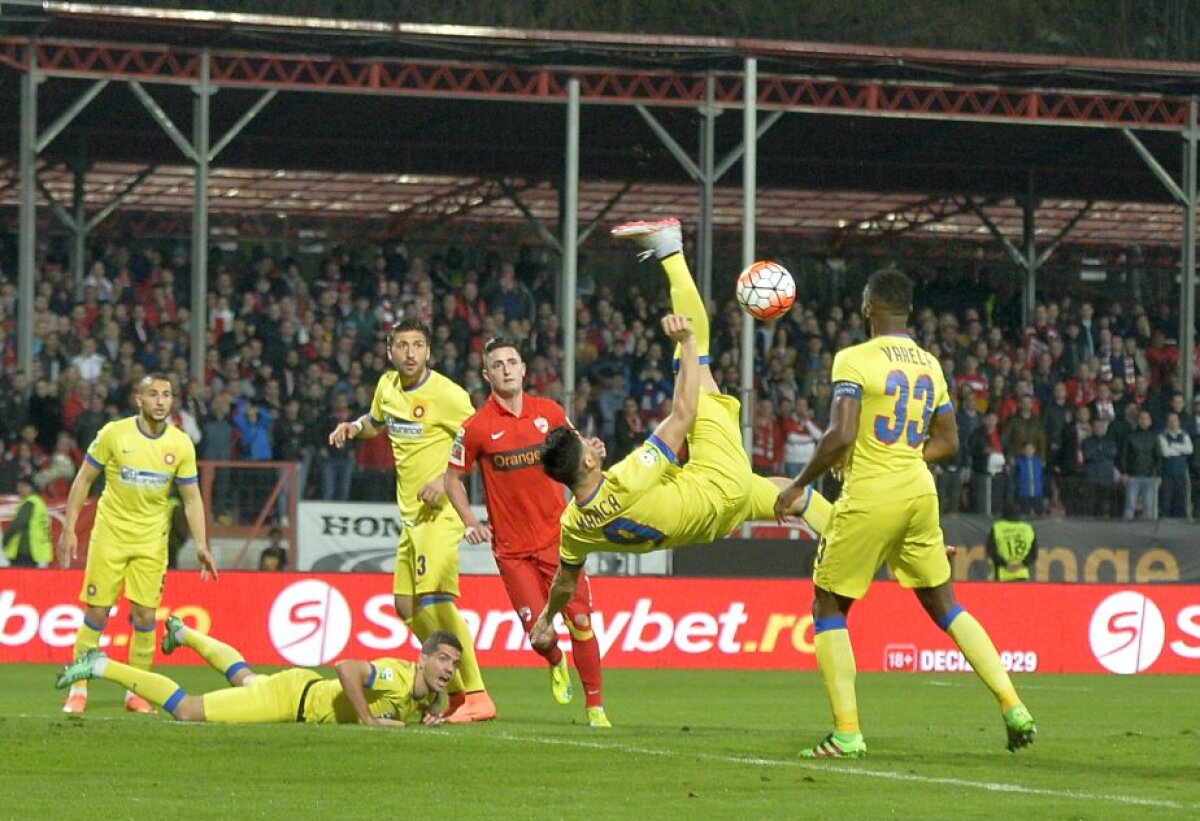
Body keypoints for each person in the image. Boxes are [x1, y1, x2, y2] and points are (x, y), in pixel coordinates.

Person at [529, 218, 832, 659]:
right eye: (587, 443)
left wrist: (544, 621)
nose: (594, 443)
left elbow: (564, 584)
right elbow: (682, 414)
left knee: (789, 494)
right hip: (716, 478)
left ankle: (848, 541)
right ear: (589, 463)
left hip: (713, 520)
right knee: (694, 353)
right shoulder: (628, 478)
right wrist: (686, 344)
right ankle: (671, 249)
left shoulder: (573, 528)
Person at [774, 268, 1035, 758]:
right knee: (947, 606)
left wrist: (798, 484)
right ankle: (1013, 704)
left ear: (869, 306)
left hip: (871, 493)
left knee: (828, 606)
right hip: (919, 492)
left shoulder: (853, 359)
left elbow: (842, 435)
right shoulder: (930, 364)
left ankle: (847, 733)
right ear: (909, 310)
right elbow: (949, 442)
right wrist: (904, 459)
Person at [329, 319, 495, 723]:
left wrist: (444, 478)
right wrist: (353, 427)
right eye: (402, 345)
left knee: (437, 600)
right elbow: (376, 422)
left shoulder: (448, 394)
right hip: (409, 515)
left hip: (441, 513)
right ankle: (453, 688)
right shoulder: (387, 386)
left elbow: (480, 438)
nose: (409, 353)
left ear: (428, 353)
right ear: (390, 351)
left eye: (417, 345)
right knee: (404, 605)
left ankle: (476, 696)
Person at [445, 336, 610, 728]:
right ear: (487, 375)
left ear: (522, 369)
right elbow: (452, 479)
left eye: (511, 362)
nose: (506, 369)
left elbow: (579, 452)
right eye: (497, 364)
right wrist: (471, 521)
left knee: (581, 623)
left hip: (560, 540)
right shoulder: (476, 428)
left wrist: (594, 452)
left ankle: (595, 708)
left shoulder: (549, 412)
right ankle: (555, 661)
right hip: (513, 551)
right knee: (539, 635)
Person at [57, 373, 217, 715]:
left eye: (167, 395)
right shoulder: (114, 434)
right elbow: (84, 479)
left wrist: (202, 544)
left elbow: (191, 499)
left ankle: (136, 693)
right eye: (153, 394)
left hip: (151, 541)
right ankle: (78, 687)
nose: (161, 401)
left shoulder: (180, 444)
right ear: (139, 400)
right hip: (110, 535)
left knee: (145, 616)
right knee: (98, 612)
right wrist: (69, 528)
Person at [55, 616, 459, 727]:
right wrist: (369, 719)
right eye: (442, 659)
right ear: (422, 658)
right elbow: (347, 667)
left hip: (298, 686)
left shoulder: (420, 691)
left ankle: (183, 633)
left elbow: (413, 701)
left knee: (244, 678)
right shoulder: (398, 675)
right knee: (188, 711)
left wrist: (431, 706)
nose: (448, 668)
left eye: (454, 664)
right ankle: (101, 664)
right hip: (290, 700)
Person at [3, 477, 51, 568]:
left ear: (28, 487)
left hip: (26, 549)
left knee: (18, 579)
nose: (18, 490)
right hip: (37, 550)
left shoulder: (30, 502)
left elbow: (18, 524)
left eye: (21, 487)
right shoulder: (39, 503)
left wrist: (5, 540)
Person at [985, 503, 1038, 581]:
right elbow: (1034, 553)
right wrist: (1022, 564)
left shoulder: (997, 527)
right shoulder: (1028, 528)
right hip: (1022, 574)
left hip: (1002, 574)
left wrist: (1005, 564)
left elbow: (991, 551)